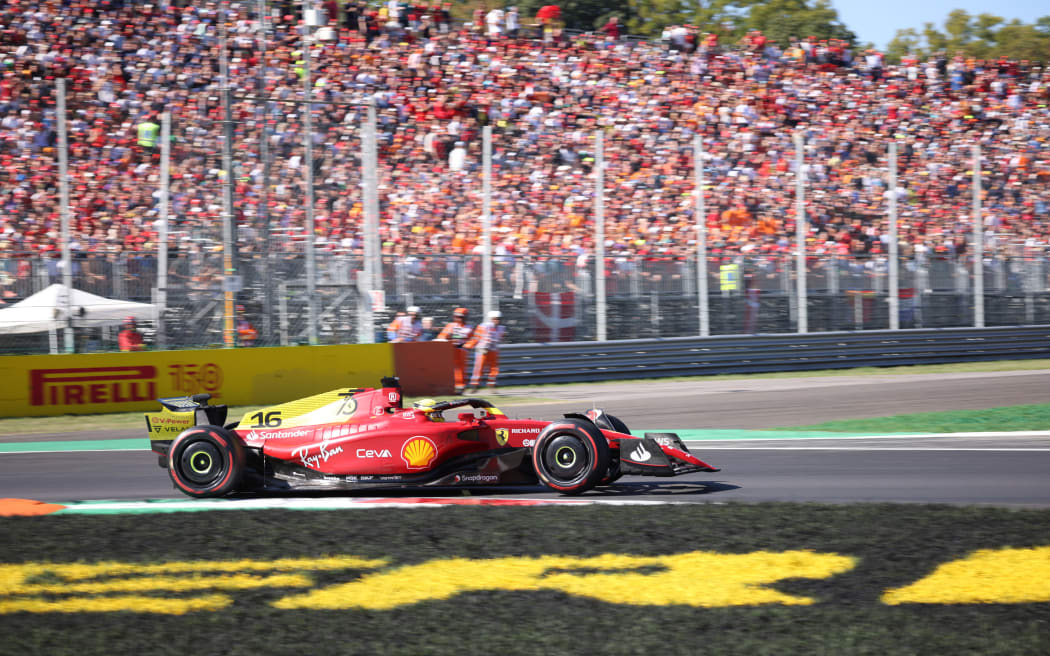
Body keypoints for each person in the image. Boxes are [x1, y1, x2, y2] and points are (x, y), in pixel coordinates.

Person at [465, 310, 506, 393]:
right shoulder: (483, 326)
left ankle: (492, 385)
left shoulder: (502, 328)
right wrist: (469, 346)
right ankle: (474, 386)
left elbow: (500, 338)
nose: (497, 320)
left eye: (499, 318)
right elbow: (476, 338)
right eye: (495, 318)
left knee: (494, 369)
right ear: (491, 319)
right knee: (478, 368)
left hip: (493, 350)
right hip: (482, 350)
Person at [436, 307, 475, 394]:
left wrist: (468, 346)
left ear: (465, 317)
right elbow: (441, 336)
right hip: (450, 350)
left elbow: (474, 339)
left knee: (460, 369)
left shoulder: (469, 328)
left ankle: (460, 387)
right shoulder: (450, 326)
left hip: (462, 350)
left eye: (460, 317)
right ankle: (448, 386)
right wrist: (447, 336)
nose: (458, 319)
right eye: (456, 316)